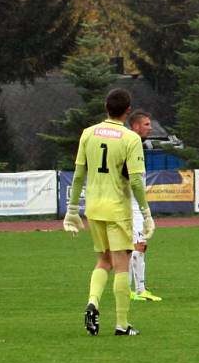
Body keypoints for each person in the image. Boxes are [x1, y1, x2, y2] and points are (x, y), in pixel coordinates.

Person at [63, 88, 155, 336]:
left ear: (106, 106)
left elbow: (79, 174)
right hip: (117, 209)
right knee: (122, 264)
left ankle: (93, 301)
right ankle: (122, 324)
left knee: (103, 260)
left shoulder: (87, 134)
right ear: (128, 110)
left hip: (93, 208)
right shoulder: (130, 138)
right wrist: (146, 214)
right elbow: (136, 182)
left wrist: (72, 210)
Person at [126, 110, 161, 302]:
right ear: (136, 126)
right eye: (146, 124)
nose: (150, 128)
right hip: (131, 204)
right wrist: (144, 209)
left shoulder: (132, 142)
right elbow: (134, 180)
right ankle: (138, 290)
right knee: (138, 245)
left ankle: (135, 290)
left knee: (136, 246)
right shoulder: (131, 143)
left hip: (131, 203)